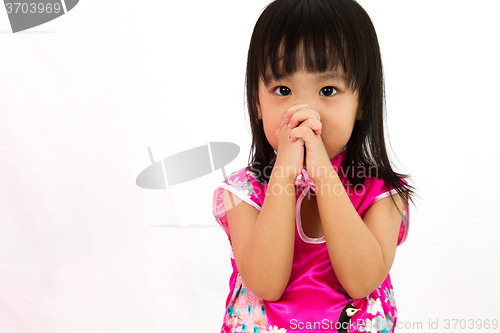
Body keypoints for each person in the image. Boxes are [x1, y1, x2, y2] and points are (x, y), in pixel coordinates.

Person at [212, 0, 415, 332]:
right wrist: (283, 176)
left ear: (361, 100)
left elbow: (362, 281)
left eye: (328, 90)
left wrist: (323, 173)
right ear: (256, 100)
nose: (303, 110)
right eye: (282, 90)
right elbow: (265, 284)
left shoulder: (383, 194)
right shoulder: (243, 192)